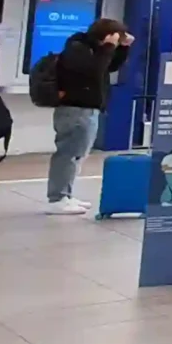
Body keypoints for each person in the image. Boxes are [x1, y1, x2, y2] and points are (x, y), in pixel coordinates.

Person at [44, 18, 133, 216]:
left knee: (78, 154)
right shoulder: (78, 48)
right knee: (68, 154)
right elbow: (94, 71)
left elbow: (109, 67)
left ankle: (66, 194)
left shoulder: (93, 50)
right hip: (76, 109)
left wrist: (123, 49)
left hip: (87, 108)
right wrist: (108, 47)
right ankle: (57, 198)